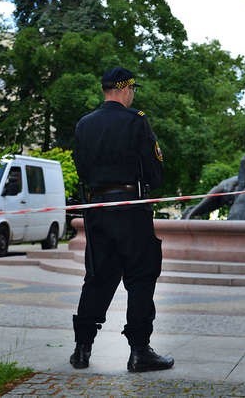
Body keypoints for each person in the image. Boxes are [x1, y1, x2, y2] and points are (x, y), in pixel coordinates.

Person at [71, 67, 173, 372]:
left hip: (97, 208)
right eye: (133, 89)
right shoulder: (136, 121)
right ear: (126, 89)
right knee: (141, 277)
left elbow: (82, 168)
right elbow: (154, 171)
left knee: (98, 276)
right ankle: (140, 351)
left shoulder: (84, 124)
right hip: (130, 207)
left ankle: (82, 349)